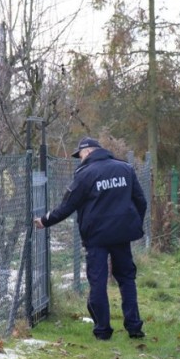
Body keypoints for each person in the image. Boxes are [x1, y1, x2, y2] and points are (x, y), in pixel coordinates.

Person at [34, 137, 148, 341]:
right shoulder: (125, 169)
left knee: (98, 281)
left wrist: (45, 221)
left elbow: (67, 206)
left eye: (80, 156)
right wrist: (133, 224)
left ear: (87, 152)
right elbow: (140, 200)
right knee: (127, 279)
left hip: (96, 236)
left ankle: (102, 330)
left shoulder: (86, 174)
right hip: (122, 234)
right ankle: (134, 327)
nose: (79, 160)